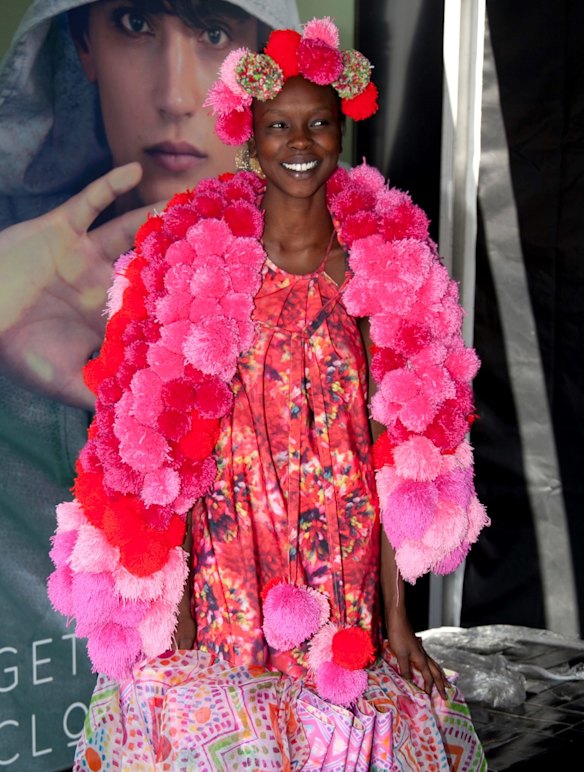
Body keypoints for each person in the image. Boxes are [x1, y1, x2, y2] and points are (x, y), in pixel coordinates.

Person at [48, 17, 488, 769]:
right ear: (248, 139)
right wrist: (178, 622)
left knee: (335, 722)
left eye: (318, 123)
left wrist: (398, 623)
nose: (300, 142)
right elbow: (165, 459)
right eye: (278, 125)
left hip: (339, 548)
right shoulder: (196, 260)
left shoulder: (379, 264)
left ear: (341, 134)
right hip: (230, 551)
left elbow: (398, 458)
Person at [0, 0, 299, 764]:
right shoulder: (18, 270)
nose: (175, 94)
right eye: (136, 24)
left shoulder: (359, 282)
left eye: (214, 32)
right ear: (82, 44)